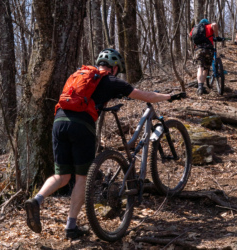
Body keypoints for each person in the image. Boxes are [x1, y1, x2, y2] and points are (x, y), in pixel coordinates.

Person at [24, 49, 178, 240]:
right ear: (114, 68)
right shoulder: (111, 80)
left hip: (59, 122)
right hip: (81, 125)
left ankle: (36, 200)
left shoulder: (79, 75)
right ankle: (71, 227)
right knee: (81, 178)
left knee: (61, 176)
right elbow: (145, 95)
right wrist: (168, 96)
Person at [189, 19, 220, 96]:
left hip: (198, 50)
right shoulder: (209, 26)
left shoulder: (194, 29)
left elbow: (190, 36)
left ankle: (200, 87)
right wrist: (217, 36)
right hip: (208, 49)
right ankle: (202, 87)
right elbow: (214, 24)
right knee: (206, 69)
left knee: (200, 68)